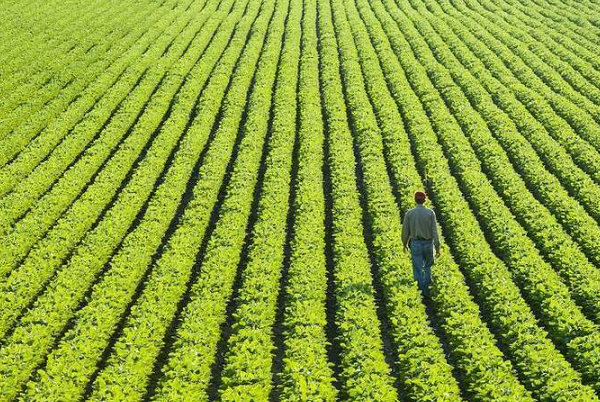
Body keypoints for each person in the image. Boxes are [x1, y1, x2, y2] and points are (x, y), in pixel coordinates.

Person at [401, 191, 441, 297]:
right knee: (428, 267)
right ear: (425, 200)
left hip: (416, 244)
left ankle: (420, 292)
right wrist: (437, 247)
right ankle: (427, 290)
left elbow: (405, 231)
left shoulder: (410, 213)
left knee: (418, 268)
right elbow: (434, 231)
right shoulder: (430, 213)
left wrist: (404, 244)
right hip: (428, 244)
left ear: (415, 200)